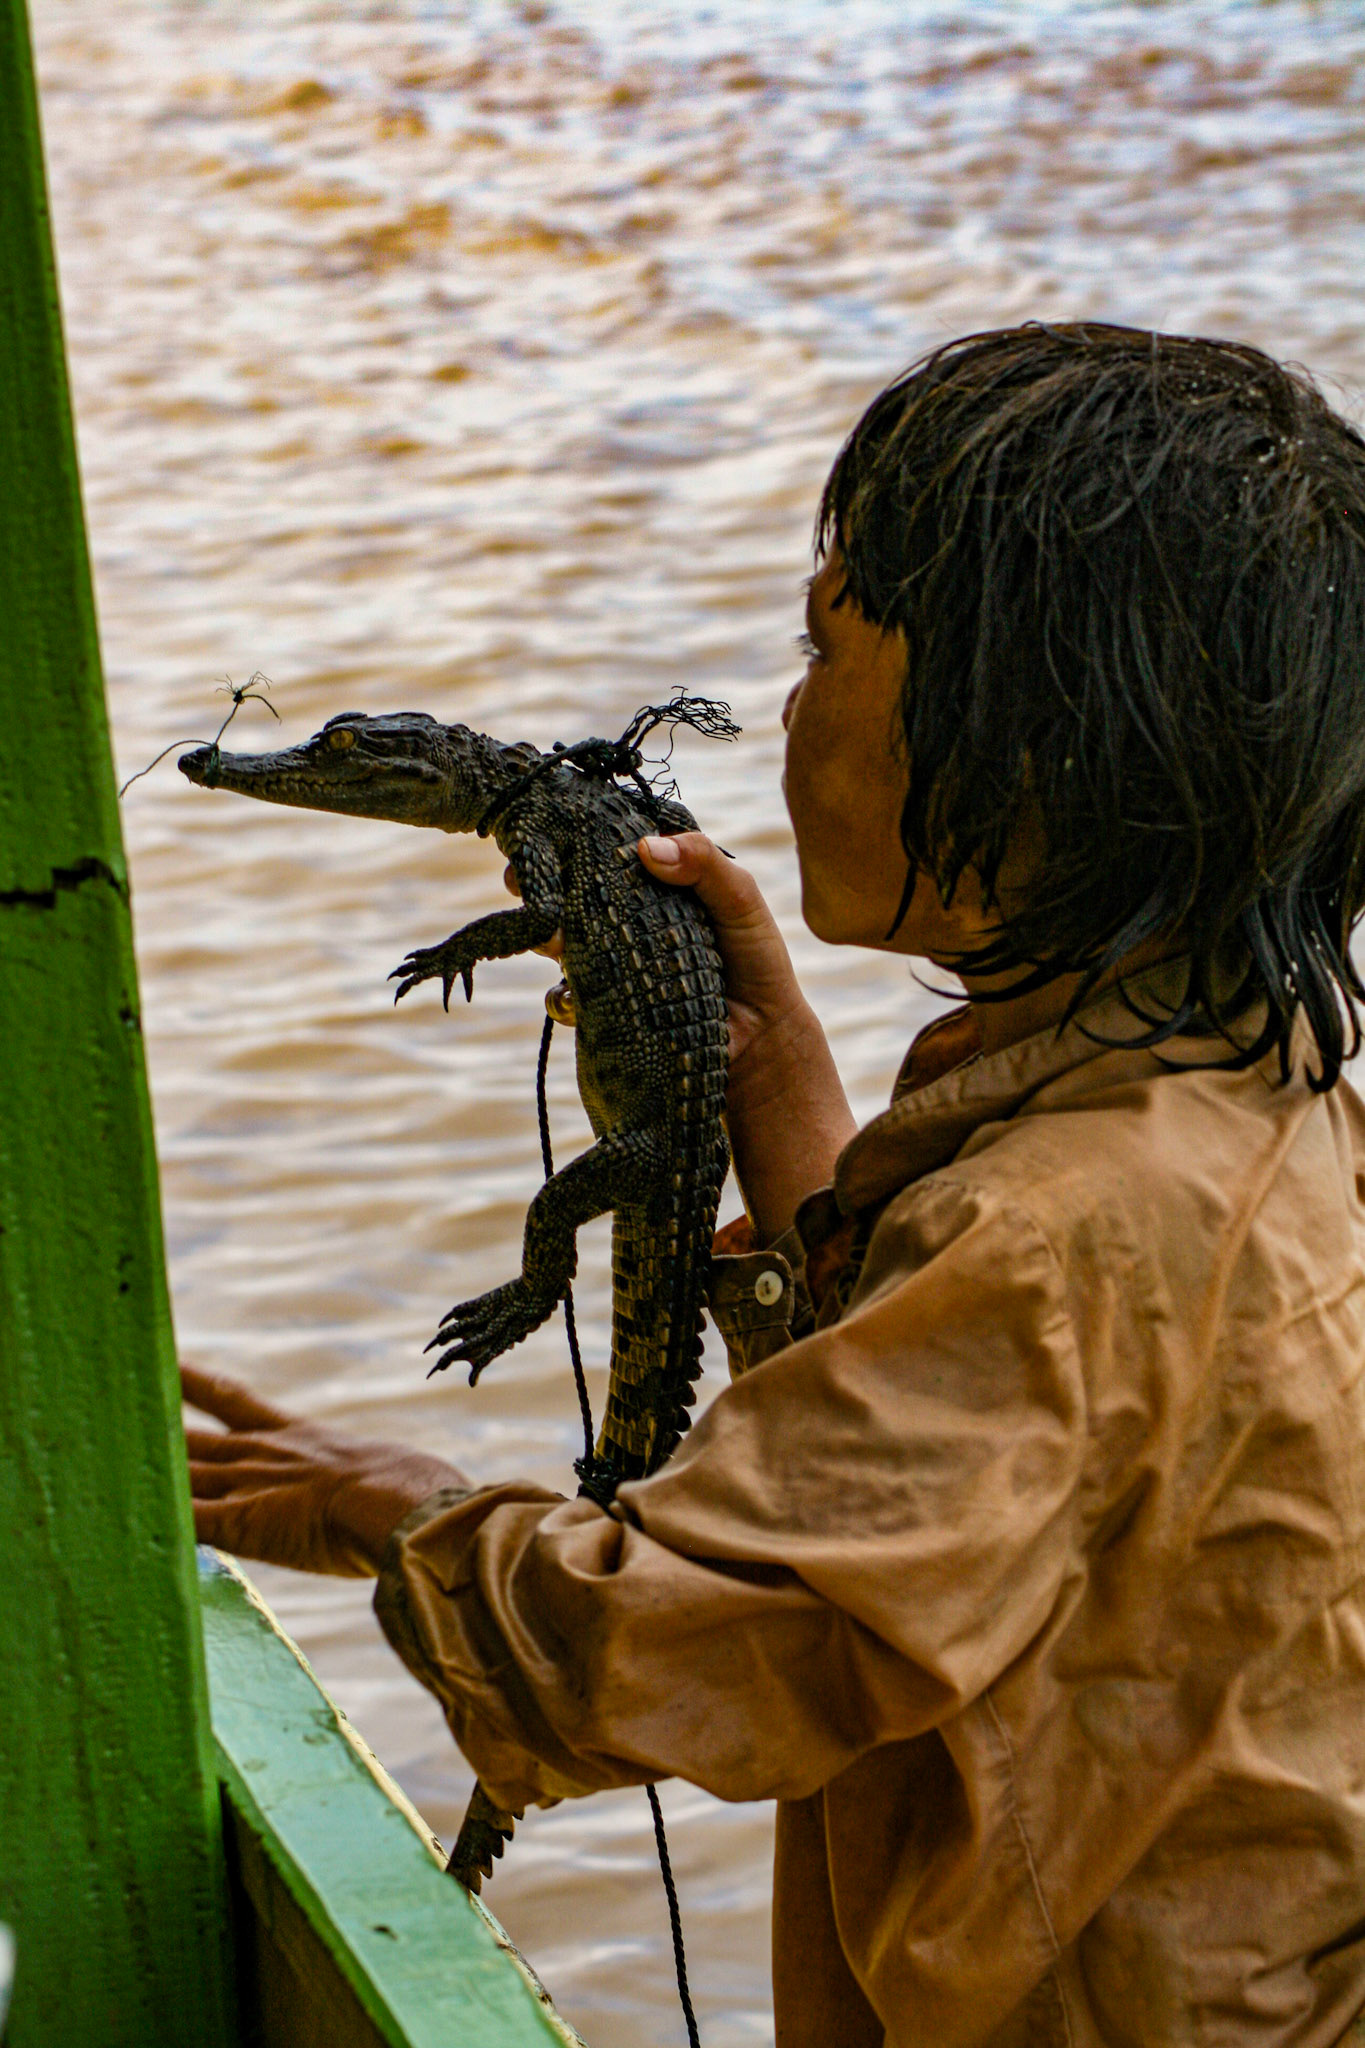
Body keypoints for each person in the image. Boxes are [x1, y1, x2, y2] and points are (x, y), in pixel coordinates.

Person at [183, 322, 1365, 2047]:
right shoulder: (1267, 1110)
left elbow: (683, 1656)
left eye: (825, 648)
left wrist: (400, 1506)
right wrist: (780, 1080)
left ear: (1021, 741)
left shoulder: (1037, 1237)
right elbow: (970, 1451)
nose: (793, 703)